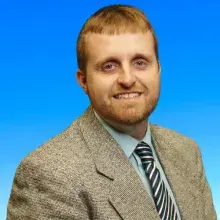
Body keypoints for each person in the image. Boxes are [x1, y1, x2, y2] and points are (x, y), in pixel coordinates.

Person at [7, 4, 217, 220]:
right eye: (109, 66)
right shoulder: (49, 174)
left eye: (140, 62)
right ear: (84, 81)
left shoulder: (186, 151)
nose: (127, 79)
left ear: (159, 69)